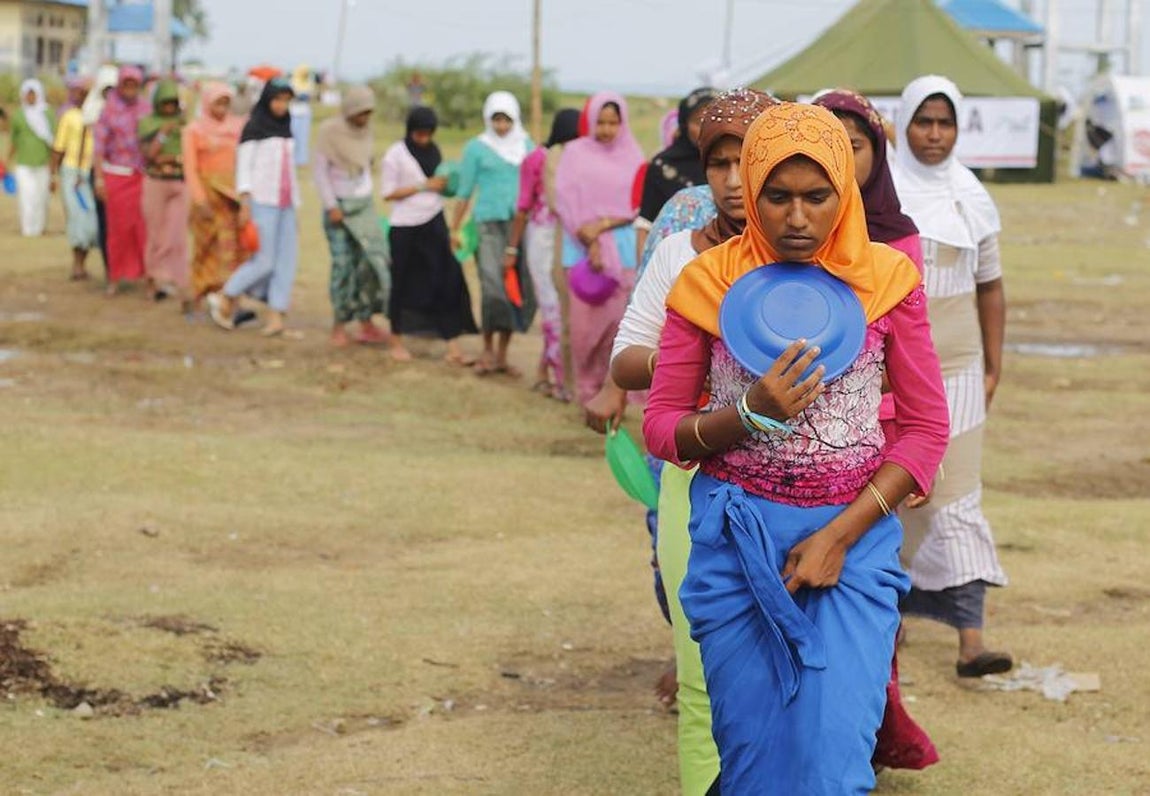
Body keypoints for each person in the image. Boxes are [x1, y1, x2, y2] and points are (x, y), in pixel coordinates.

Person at [643, 102, 949, 794]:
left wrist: (839, 537)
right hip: (737, 545)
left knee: (831, 759)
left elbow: (927, 429)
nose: (798, 217)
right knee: (754, 759)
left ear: (847, 191)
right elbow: (661, 426)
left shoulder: (888, 284)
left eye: (818, 196)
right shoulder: (707, 284)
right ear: (750, 192)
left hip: (855, 543)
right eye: (777, 196)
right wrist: (747, 415)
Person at [611, 87, 776, 796]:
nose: (734, 181)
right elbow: (626, 358)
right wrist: (698, 358)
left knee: (784, 669)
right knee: (702, 668)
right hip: (695, 477)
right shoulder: (681, 252)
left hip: (797, 487)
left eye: (751, 161)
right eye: (719, 163)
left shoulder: (819, 252)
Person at [892, 75, 1011, 678]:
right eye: (923, 121)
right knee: (898, 491)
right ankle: (891, 618)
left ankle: (971, 640)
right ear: (904, 123)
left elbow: (989, 286)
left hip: (960, 368)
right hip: (895, 372)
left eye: (945, 123)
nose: (934, 135)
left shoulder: (971, 196)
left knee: (959, 491)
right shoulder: (880, 196)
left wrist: (993, 364)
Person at [553, 92, 645, 411]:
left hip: (622, 252)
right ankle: (586, 393)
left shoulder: (633, 155)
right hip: (580, 252)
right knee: (584, 331)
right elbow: (564, 199)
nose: (606, 130)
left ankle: (618, 394)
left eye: (613, 123)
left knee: (619, 327)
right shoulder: (575, 154)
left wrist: (604, 225)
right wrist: (590, 239)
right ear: (590, 121)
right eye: (600, 122)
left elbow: (638, 204)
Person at [382, 107, 478, 364]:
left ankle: (452, 345)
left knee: (447, 280)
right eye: (419, 134)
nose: (424, 139)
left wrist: (446, 186)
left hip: (433, 221)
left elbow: (441, 186)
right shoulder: (395, 154)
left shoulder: (434, 151)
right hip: (405, 226)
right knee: (402, 282)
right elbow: (388, 193)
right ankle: (395, 339)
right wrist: (422, 185)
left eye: (428, 134)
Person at [451, 91, 536, 376]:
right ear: (488, 119)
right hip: (486, 224)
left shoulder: (526, 146)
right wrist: (454, 228)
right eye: (496, 120)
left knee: (514, 287)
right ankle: (486, 349)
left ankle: (503, 353)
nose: (501, 126)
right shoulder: (476, 148)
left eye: (506, 120)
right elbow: (464, 192)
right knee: (491, 288)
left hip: (518, 226)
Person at [207, 79, 300, 336]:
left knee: (286, 262)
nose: (282, 106)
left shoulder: (287, 127)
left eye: (286, 100)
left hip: (286, 202)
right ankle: (227, 295)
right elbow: (244, 169)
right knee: (265, 260)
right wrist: (246, 202)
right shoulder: (255, 127)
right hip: (263, 201)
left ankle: (277, 315)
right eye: (278, 99)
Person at [504, 107, 582, 399]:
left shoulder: (581, 158)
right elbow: (523, 205)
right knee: (551, 308)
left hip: (572, 237)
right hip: (543, 236)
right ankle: (561, 380)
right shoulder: (536, 159)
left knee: (563, 309)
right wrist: (512, 247)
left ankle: (544, 371)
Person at [313, 85, 390, 348]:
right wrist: (331, 204)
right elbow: (321, 173)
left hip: (364, 204)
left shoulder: (366, 132)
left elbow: (367, 165)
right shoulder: (329, 132)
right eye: (360, 113)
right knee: (343, 266)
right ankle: (339, 324)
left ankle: (366, 321)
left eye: (368, 113)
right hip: (339, 208)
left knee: (370, 263)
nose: (364, 118)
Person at [634, 87, 718, 259]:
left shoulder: (742, 161)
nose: (705, 128)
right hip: (675, 266)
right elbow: (645, 225)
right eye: (698, 121)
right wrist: (643, 274)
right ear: (684, 124)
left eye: (714, 119)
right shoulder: (662, 166)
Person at [183, 82, 247, 304]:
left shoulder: (238, 127)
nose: (222, 107)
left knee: (231, 247)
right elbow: (190, 168)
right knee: (206, 245)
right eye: (218, 102)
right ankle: (199, 291)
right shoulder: (194, 130)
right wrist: (200, 200)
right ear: (208, 103)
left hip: (232, 196)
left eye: (226, 102)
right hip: (207, 194)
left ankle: (226, 295)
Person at [94, 66, 150, 295]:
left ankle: (147, 278)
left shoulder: (146, 109)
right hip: (116, 176)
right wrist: (98, 178)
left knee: (143, 230)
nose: (130, 89)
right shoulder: (108, 112)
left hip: (142, 177)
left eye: (134, 84)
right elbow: (98, 148)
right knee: (117, 230)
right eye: (126, 84)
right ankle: (114, 278)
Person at [138, 80, 190, 304]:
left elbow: (188, 154)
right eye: (165, 102)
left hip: (180, 181)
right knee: (156, 233)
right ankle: (153, 279)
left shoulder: (185, 124)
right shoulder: (148, 124)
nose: (169, 107)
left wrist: (173, 159)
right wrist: (162, 134)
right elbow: (150, 155)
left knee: (176, 234)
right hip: (156, 182)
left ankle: (175, 279)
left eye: (172, 102)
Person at [51, 77, 98, 280]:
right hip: (71, 172)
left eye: (84, 92)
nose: (79, 95)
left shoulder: (99, 116)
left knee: (92, 219)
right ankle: (78, 264)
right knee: (77, 218)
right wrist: (52, 174)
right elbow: (59, 148)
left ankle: (86, 261)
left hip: (93, 171)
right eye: (76, 91)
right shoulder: (68, 116)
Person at [82, 65, 120, 277]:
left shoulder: (128, 110)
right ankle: (110, 268)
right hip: (100, 172)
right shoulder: (94, 111)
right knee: (104, 222)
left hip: (125, 174)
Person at [7, 79, 56, 237]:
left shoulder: (47, 113)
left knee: (41, 197)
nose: (30, 97)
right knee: (26, 196)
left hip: (43, 162)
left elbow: (54, 141)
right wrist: (7, 160)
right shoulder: (19, 115)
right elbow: (14, 140)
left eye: (33, 94)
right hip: (23, 164)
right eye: (27, 94)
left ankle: (39, 227)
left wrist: (53, 164)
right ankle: (28, 229)